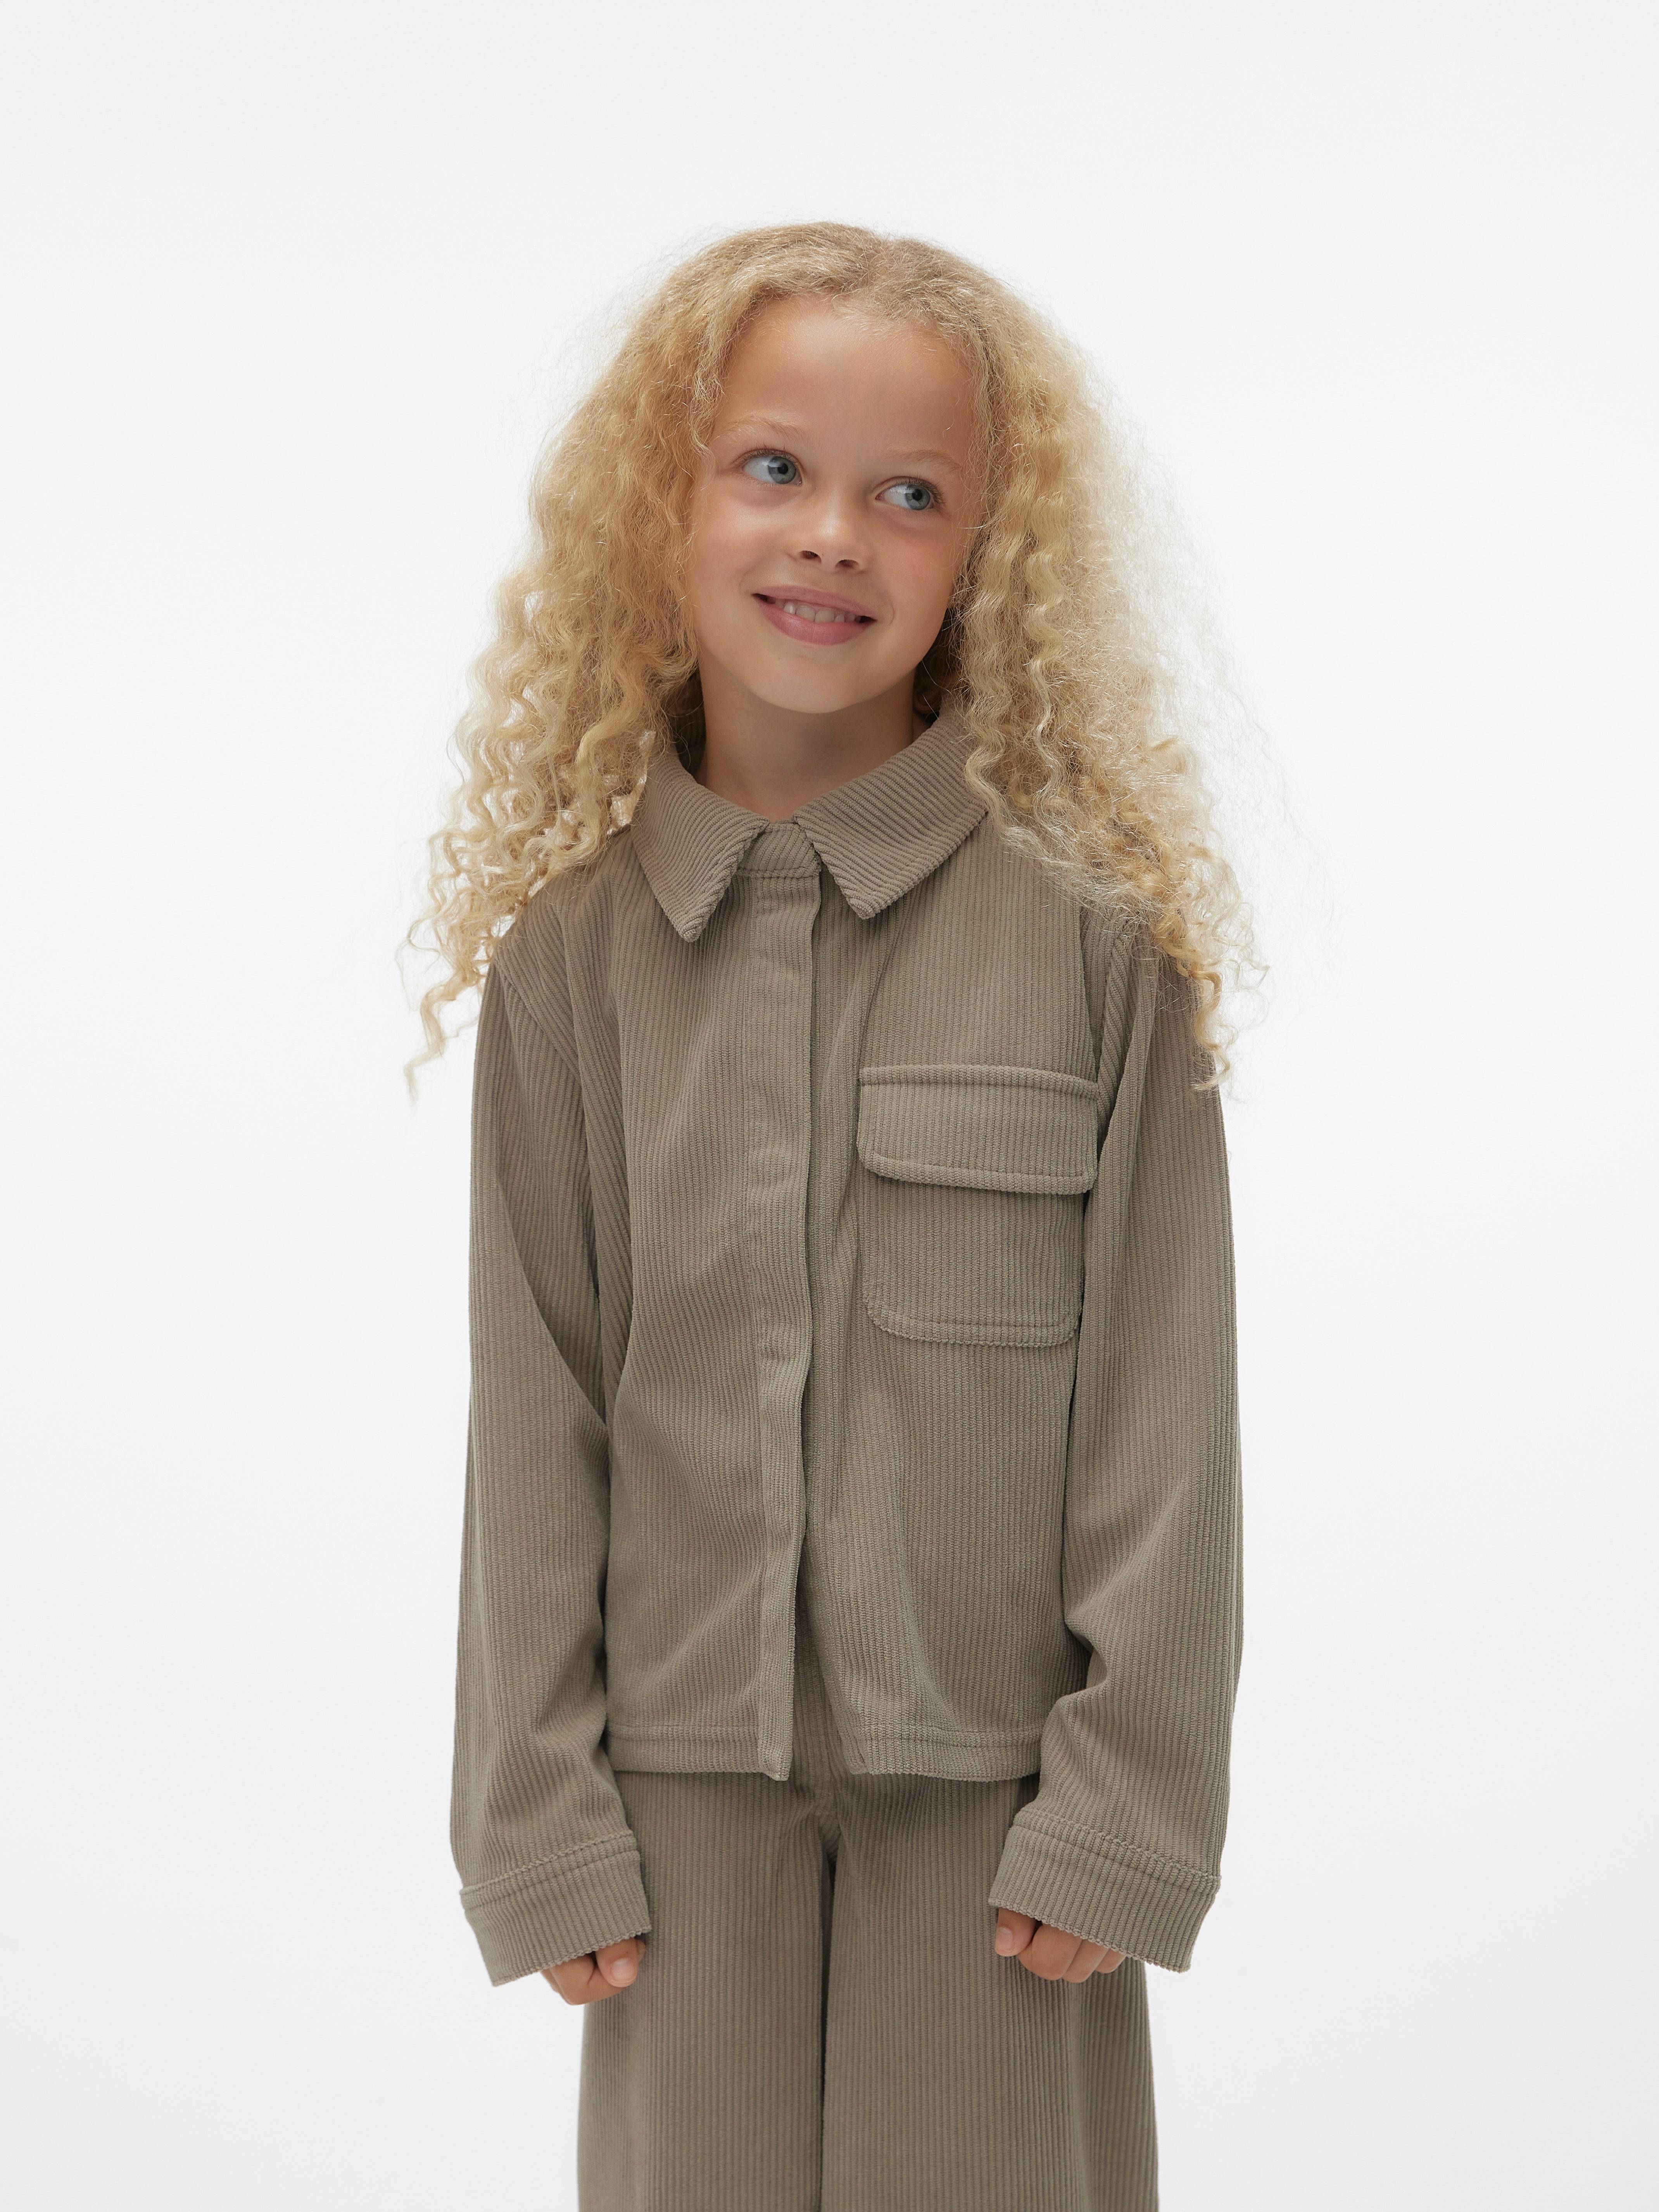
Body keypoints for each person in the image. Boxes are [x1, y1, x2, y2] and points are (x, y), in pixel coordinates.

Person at [407, 220, 1251, 2211]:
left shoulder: (1091, 951)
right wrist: (533, 1815)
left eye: (911, 494)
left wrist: (1123, 1803)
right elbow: (534, 1410)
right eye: (773, 466)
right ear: (666, 501)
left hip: (1000, 1812)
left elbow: (1165, 1409)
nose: (831, 538)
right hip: (671, 1806)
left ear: (987, 558)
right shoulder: (570, 966)